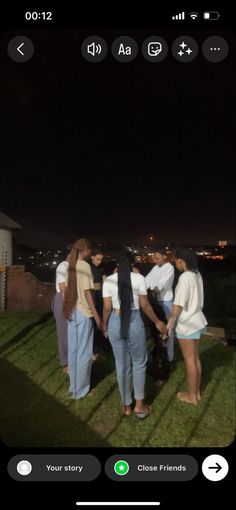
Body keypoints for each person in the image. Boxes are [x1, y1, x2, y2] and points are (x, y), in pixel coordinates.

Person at [102, 253, 167, 419]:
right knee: (139, 362)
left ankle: (126, 406)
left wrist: (104, 324)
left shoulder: (108, 280)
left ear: (117, 264)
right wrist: (157, 321)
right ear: (132, 264)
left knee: (121, 364)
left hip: (115, 322)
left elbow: (107, 308)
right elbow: (145, 305)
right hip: (134, 320)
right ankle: (139, 406)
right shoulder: (139, 278)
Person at [167, 249, 208, 405]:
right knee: (196, 358)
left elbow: (178, 304)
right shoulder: (197, 275)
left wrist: (170, 321)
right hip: (198, 320)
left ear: (181, 261)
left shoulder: (185, 277)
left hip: (188, 323)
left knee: (189, 360)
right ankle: (196, 392)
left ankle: (191, 396)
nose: (175, 264)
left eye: (176, 261)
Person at [63, 239, 102, 400]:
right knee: (84, 353)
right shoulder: (84, 266)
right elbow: (88, 293)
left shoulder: (70, 266)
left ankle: (73, 387)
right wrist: (97, 316)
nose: (91, 254)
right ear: (85, 249)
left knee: (73, 351)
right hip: (84, 313)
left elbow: (65, 291)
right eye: (90, 251)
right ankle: (81, 391)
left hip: (72, 311)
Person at [145, 248, 175, 362]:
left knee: (168, 330)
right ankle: (159, 354)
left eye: (157, 258)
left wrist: (152, 292)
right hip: (156, 301)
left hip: (165, 301)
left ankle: (169, 357)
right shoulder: (155, 268)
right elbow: (146, 280)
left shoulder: (169, 268)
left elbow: (161, 285)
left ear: (164, 256)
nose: (155, 261)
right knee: (157, 329)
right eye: (154, 258)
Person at [53, 255, 69, 373]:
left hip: (69, 299)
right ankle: (65, 362)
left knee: (69, 331)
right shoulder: (63, 266)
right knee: (63, 331)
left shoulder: (73, 267)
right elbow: (62, 288)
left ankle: (67, 357)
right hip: (63, 299)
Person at [90, 248, 106, 357]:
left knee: (100, 318)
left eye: (100, 260)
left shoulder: (102, 268)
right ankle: (92, 345)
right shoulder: (88, 267)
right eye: (97, 259)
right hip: (91, 295)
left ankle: (100, 345)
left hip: (100, 295)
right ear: (92, 257)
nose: (99, 261)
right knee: (92, 318)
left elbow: (105, 280)